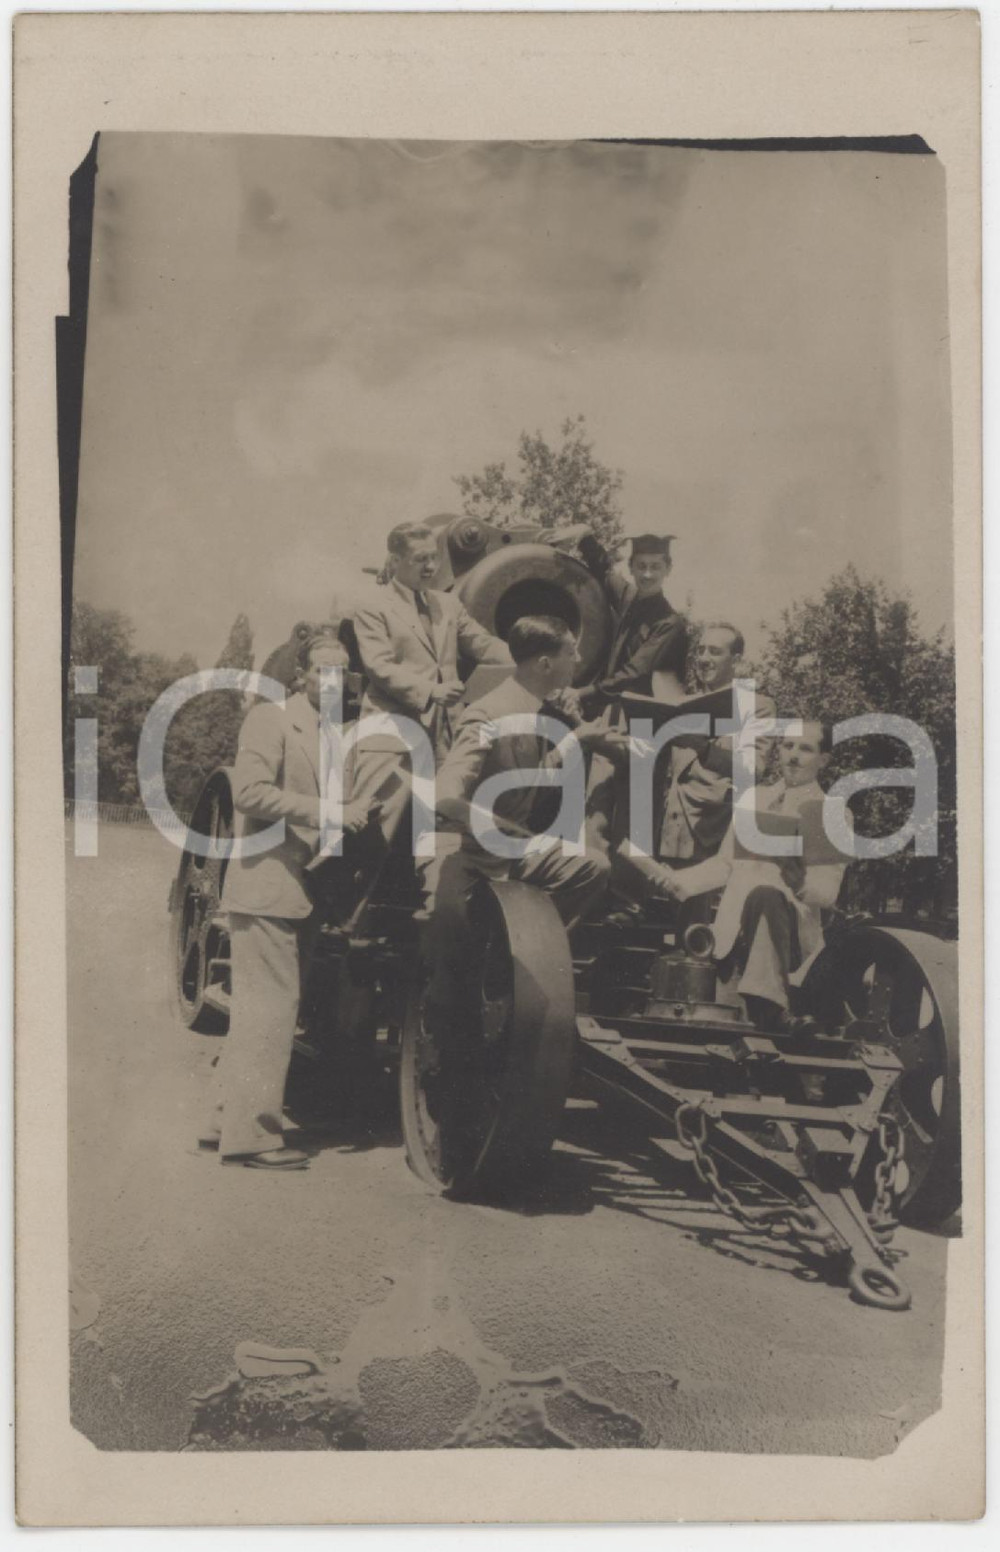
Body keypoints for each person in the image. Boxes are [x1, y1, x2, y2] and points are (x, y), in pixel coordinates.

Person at [203, 632, 372, 1168]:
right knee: (270, 1012)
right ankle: (253, 1139)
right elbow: (248, 792)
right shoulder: (272, 718)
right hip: (269, 887)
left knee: (264, 1010)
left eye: (341, 670)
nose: (333, 680)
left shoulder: (334, 733)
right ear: (301, 675)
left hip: (300, 891)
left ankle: (223, 1120)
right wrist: (330, 812)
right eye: (323, 669)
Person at [424, 615, 623, 1031]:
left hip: (514, 852)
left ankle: (520, 957)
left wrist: (578, 740)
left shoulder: (536, 710)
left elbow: (529, 774)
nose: (579, 659)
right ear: (545, 664)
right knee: (449, 960)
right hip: (469, 855)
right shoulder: (487, 715)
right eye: (572, 651)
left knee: (592, 866)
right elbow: (447, 791)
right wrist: (481, 816)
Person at [626, 721, 848, 1029]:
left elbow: (828, 892)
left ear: (824, 759)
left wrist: (799, 884)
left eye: (805, 749)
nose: (793, 756)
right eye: (787, 746)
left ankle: (769, 1008)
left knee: (766, 894)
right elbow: (725, 865)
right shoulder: (753, 798)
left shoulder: (832, 813)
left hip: (790, 943)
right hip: (734, 937)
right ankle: (761, 1003)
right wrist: (678, 881)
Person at [349, 520, 511, 844]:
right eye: (420, 559)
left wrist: (528, 659)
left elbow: (482, 643)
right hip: (391, 735)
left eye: (433, 558)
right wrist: (432, 691)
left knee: (439, 821)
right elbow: (379, 666)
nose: (431, 566)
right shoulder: (372, 606)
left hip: (443, 734)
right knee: (375, 827)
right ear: (395, 561)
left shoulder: (447, 604)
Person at [659, 622, 777, 866]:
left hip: (713, 834)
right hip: (666, 829)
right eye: (700, 650)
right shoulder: (680, 704)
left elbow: (753, 769)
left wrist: (705, 750)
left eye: (714, 651)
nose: (703, 658)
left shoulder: (757, 706)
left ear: (735, 660)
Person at [576, 531, 689, 707]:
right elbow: (604, 570)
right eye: (641, 566)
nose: (647, 574)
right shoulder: (628, 598)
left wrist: (583, 693)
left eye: (655, 566)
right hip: (614, 708)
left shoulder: (670, 624)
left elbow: (635, 674)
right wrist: (583, 538)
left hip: (647, 714)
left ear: (668, 569)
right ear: (631, 568)